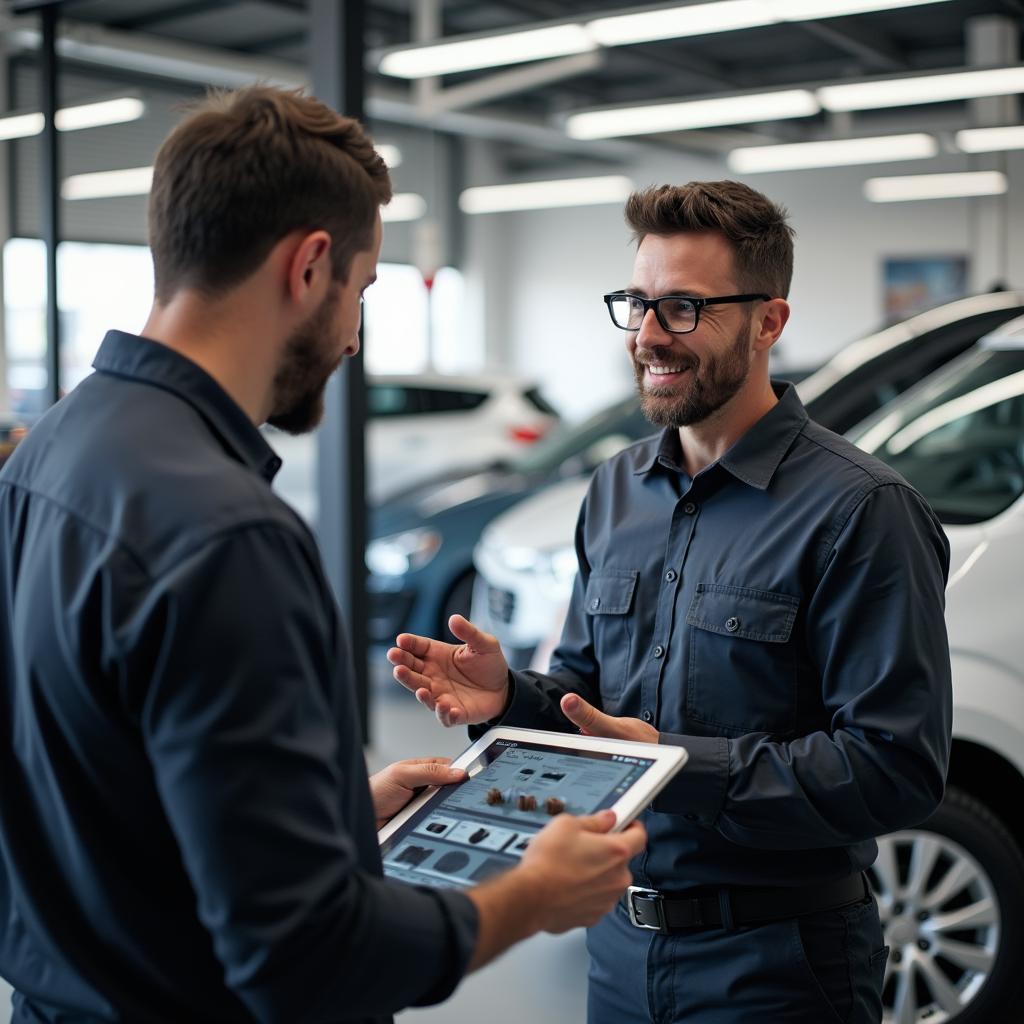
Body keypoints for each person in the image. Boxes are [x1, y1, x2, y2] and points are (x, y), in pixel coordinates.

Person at [0, 86, 647, 1024]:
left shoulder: (49, 451)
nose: (353, 338)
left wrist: (335, 815)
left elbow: (94, 773)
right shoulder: (228, 533)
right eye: (364, 290)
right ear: (310, 267)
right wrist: (528, 897)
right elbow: (305, 957)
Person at [389, 180, 953, 1024]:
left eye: (684, 308)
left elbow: (896, 769)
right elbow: (590, 702)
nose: (649, 336)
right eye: (638, 304)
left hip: (778, 966)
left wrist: (674, 761)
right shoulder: (615, 492)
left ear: (769, 322)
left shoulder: (860, 511)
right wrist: (512, 699)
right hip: (618, 952)